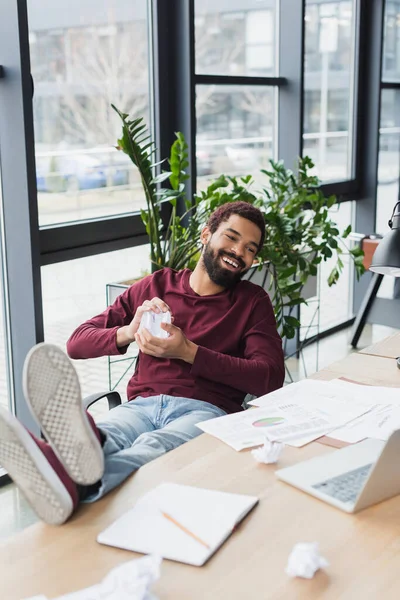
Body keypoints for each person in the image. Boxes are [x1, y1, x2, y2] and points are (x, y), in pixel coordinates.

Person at [0, 201, 284, 525]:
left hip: (206, 412)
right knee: (110, 434)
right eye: (231, 238)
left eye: (249, 248)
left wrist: (189, 352)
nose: (238, 251)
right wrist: (128, 332)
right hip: (140, 405)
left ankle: (61, 469)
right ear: (206, 235)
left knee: (153, 446)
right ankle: (71, 463)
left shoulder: (252, 302)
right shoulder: (156, 285)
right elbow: (77, 342)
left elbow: (270, 377)